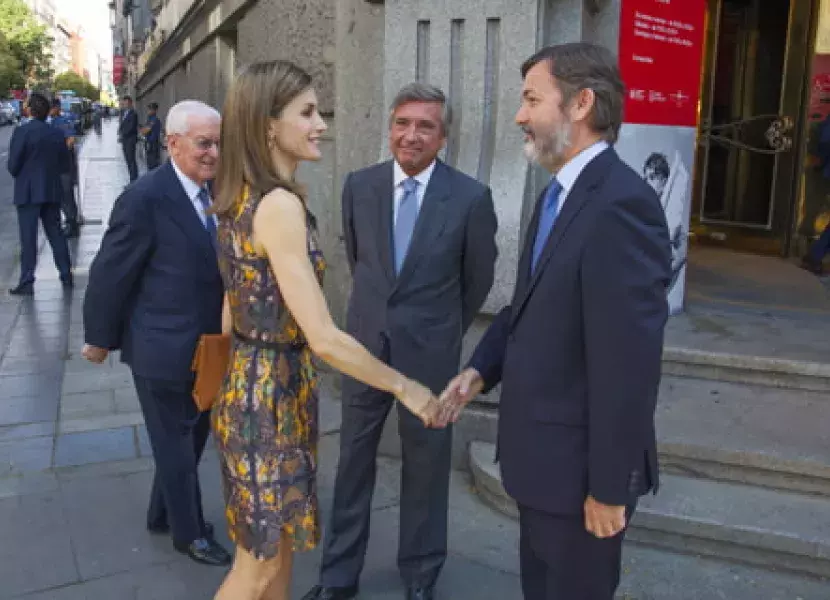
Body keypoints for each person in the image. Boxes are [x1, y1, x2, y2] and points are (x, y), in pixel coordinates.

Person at [438, 43, 671, 599]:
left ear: (581, 103)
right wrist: (479, 371)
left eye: (531, 99)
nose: (520, 116)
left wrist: (610, 488)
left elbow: (628, 364)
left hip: (581, 480)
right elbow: (530, 303)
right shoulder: (557, 195)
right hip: (541, 465)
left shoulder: (621, 205)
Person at [209, 61, 440, 600]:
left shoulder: (242, 194)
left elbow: (231, 302)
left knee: (279, 553)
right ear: (269, 124)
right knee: (259, 568)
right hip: (269, 399)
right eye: (307, 112)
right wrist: (408, 388)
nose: (320, 124)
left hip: (257, 389)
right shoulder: (279, 205)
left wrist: (233, 381)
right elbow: (327, 338)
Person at [303, 82, 498, 600]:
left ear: (443, 137)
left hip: (429, 357)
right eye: (402, 123)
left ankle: (419, 576)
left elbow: (476, 281)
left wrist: (438, 330)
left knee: (427, 469)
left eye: (425, 126)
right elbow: (361, 263)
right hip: (365, 350)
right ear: (389, 127)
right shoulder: (359, 186)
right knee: (352, 463)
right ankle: (338, 577)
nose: (411, 136)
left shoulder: (470, 198)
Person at [81, 100, 232, 567]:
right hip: (160, 349)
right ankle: (191, 534)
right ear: (172, 143)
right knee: (176, 444)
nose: (212, 153)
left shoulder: (216, 194)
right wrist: (99, 337)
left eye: (218, 144)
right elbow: (110, 272)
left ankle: (160, 513)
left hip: (206, 348)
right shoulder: (144, 198)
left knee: (188, 440)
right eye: (204, 143)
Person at [6, 92, 73, 295]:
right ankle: (66, 274)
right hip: (51, 190)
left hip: (27, 193)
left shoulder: (22, 132)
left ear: (30, 110)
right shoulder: (55, 133)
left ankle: (27, 280)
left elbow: (13, 165)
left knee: (28, 238)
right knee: (56, 234)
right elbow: (64, 164)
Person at [49, 99, 80, 238]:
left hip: (64, 166)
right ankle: (70, 222)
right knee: (64, 196)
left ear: (56, 108)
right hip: (60, 166)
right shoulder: (54, 121)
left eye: (51, 108)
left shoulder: (61, 122)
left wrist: (61, 154)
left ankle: (72, 224)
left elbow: (71, 139)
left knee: (66, 196)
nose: (49, 111)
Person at [118, 95, 139, 182]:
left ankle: (134, 180)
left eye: (127, 103)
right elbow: (122, 125)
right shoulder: (123, 113)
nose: (125, 105)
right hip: (125, 140)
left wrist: (123, 133)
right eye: (124, 103)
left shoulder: (133, 114)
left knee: (131, 160)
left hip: (130, 140)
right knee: (128, 160)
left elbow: (131, 127)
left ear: (130, 103)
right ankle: (132, 179)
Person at [141, 102, 162, 170]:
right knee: (149, 165)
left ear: (155, 110)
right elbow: (143, 131)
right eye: (149, 109)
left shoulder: (154, 120)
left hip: (153, 146)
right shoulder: (149, 119)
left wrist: (145, 130)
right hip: (149, 145)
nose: (149, 111)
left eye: (151, 109)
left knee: (153, 166)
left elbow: (145, 131)